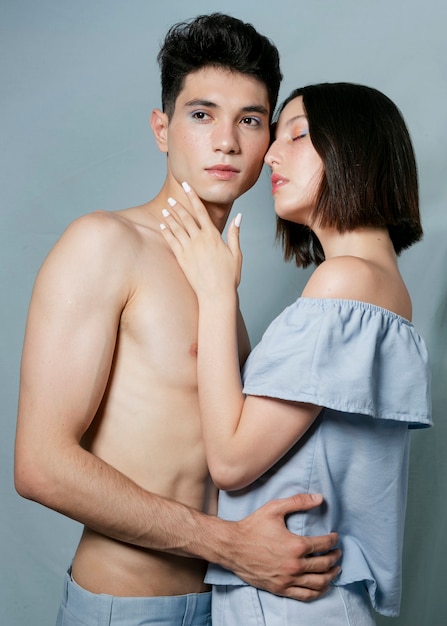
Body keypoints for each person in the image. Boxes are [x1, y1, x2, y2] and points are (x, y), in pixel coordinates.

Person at [14, 14, 342, 626]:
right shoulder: (104, 243)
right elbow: (41, 465)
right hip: (127, 610)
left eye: (249, 119)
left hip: (224, 606)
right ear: (162, 129)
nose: (226, 141)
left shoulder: (218, 277)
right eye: (201, 114)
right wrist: (231, 545)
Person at [160, 82, 433, 624]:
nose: (270, 154)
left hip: (289, 604)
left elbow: (233, 462)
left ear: (355, 150)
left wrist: (217, 295)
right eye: (274, 135)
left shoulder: (343, 282)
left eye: (298, 135)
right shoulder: (382, 289)